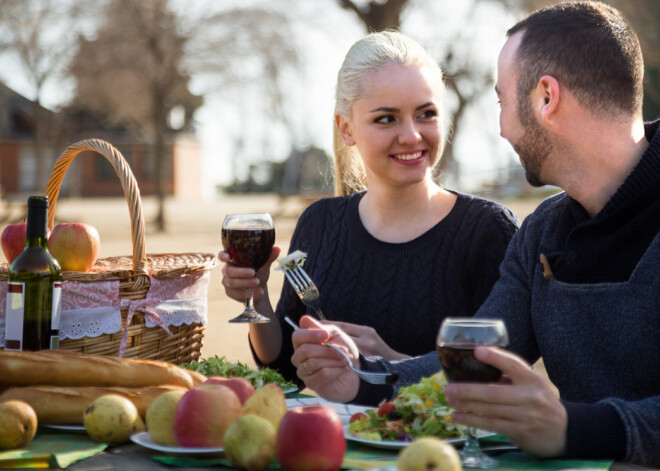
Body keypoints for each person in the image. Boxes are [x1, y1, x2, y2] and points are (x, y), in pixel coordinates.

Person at [290, 2, 660, 467]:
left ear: (546, 98)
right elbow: (476, 362)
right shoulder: (542, 234)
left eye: (502, 101)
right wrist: (364, 378)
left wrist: (575, 427)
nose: (501, 128)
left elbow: (565, 424)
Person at [219, 31, 519, 389]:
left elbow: (500, 383)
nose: (411, 135)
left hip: (439, 444)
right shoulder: (320, 224)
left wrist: (388, 361)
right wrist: (257, 295)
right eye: (386, 119)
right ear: (347, 129)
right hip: (334, 441)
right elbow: (282, 365)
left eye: (426, 114)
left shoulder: (487, 231)